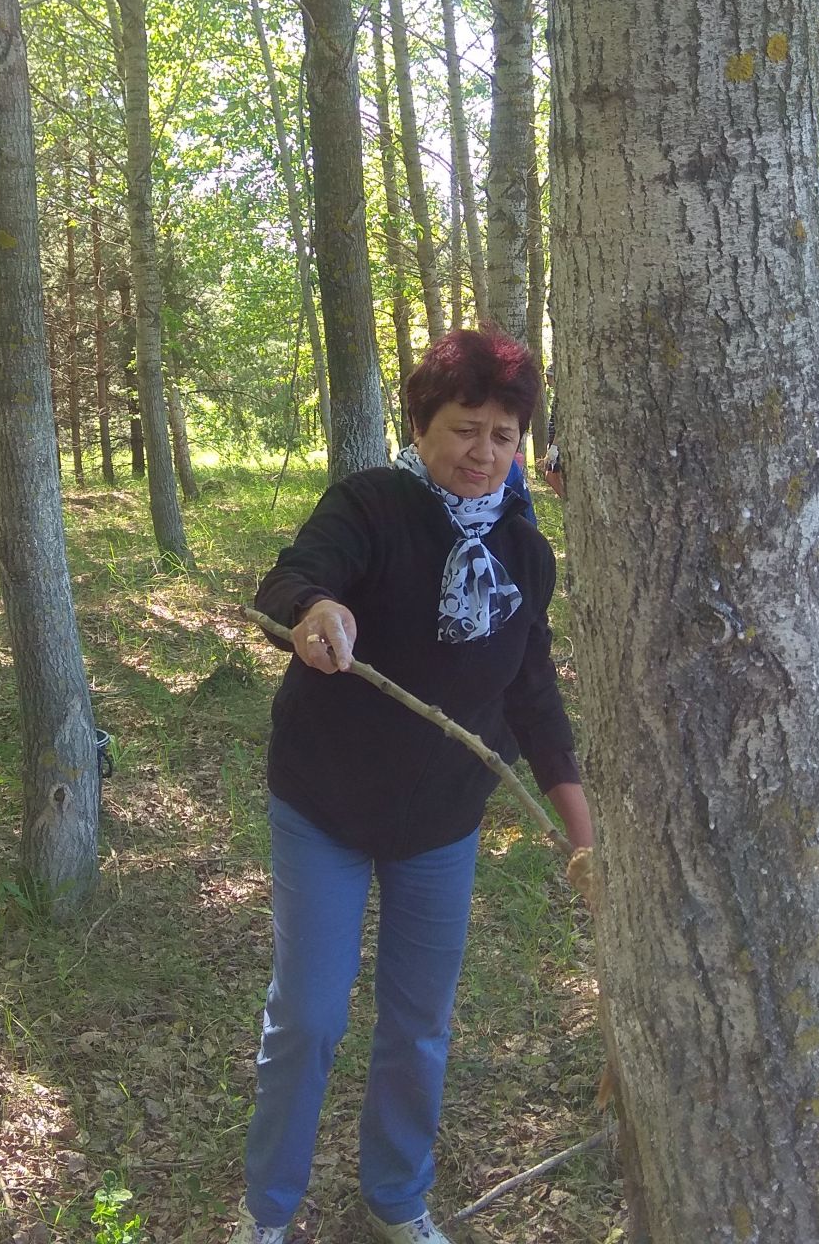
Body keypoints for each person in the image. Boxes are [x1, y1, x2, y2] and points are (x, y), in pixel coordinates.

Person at [234, 329, 595, 1244]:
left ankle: (396, 1197)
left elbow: (534, 692)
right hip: (326, 804)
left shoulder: (523, 551)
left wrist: (581, 829)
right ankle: (267, 1211)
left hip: (441, 821)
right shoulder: (372, 503)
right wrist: (315, 611)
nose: (482, 453)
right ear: (422, 426)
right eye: (464, 429)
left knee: (419, 1024)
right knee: (309, 1017)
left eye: (503, 435)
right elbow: (292, 576)